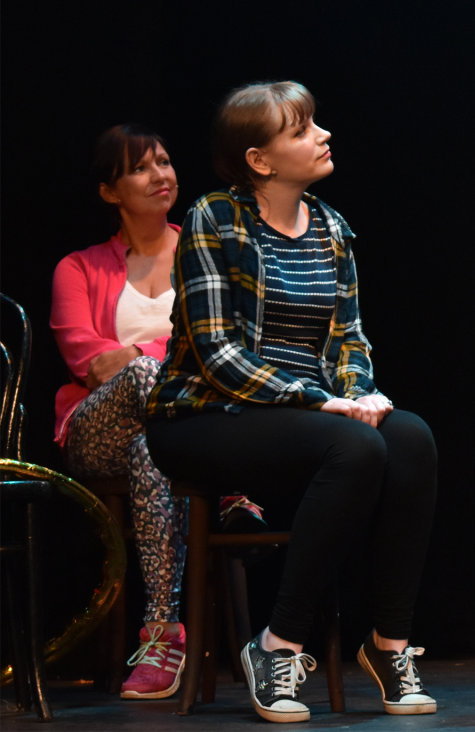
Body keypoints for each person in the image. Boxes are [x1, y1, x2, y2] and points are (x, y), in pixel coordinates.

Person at [146, 81, 438, 724]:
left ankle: (389, 644)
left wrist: (358, 394)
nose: (322, 136)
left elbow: (349, 338)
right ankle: (277, 644)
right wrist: (318, 401)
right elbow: (217, 352)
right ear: (260, 160)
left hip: (305, 417)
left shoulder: (332, 228)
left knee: (410, 438)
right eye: (301, 130)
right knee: (353, 446)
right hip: (203, 415)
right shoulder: (213, 218)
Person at [51, 125, 265, 700]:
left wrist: (136, 353)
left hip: (172, 438)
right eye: (140, 168)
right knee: (147, 380)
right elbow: (89, 361)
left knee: (155, 446)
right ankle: (229, 489)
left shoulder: (204, 254)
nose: (160, 175)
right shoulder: (78, 268)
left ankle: (162, 636)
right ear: (109, 191)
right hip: (97, 430)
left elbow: (232, 344)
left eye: (165, 162)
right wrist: (160, 357)